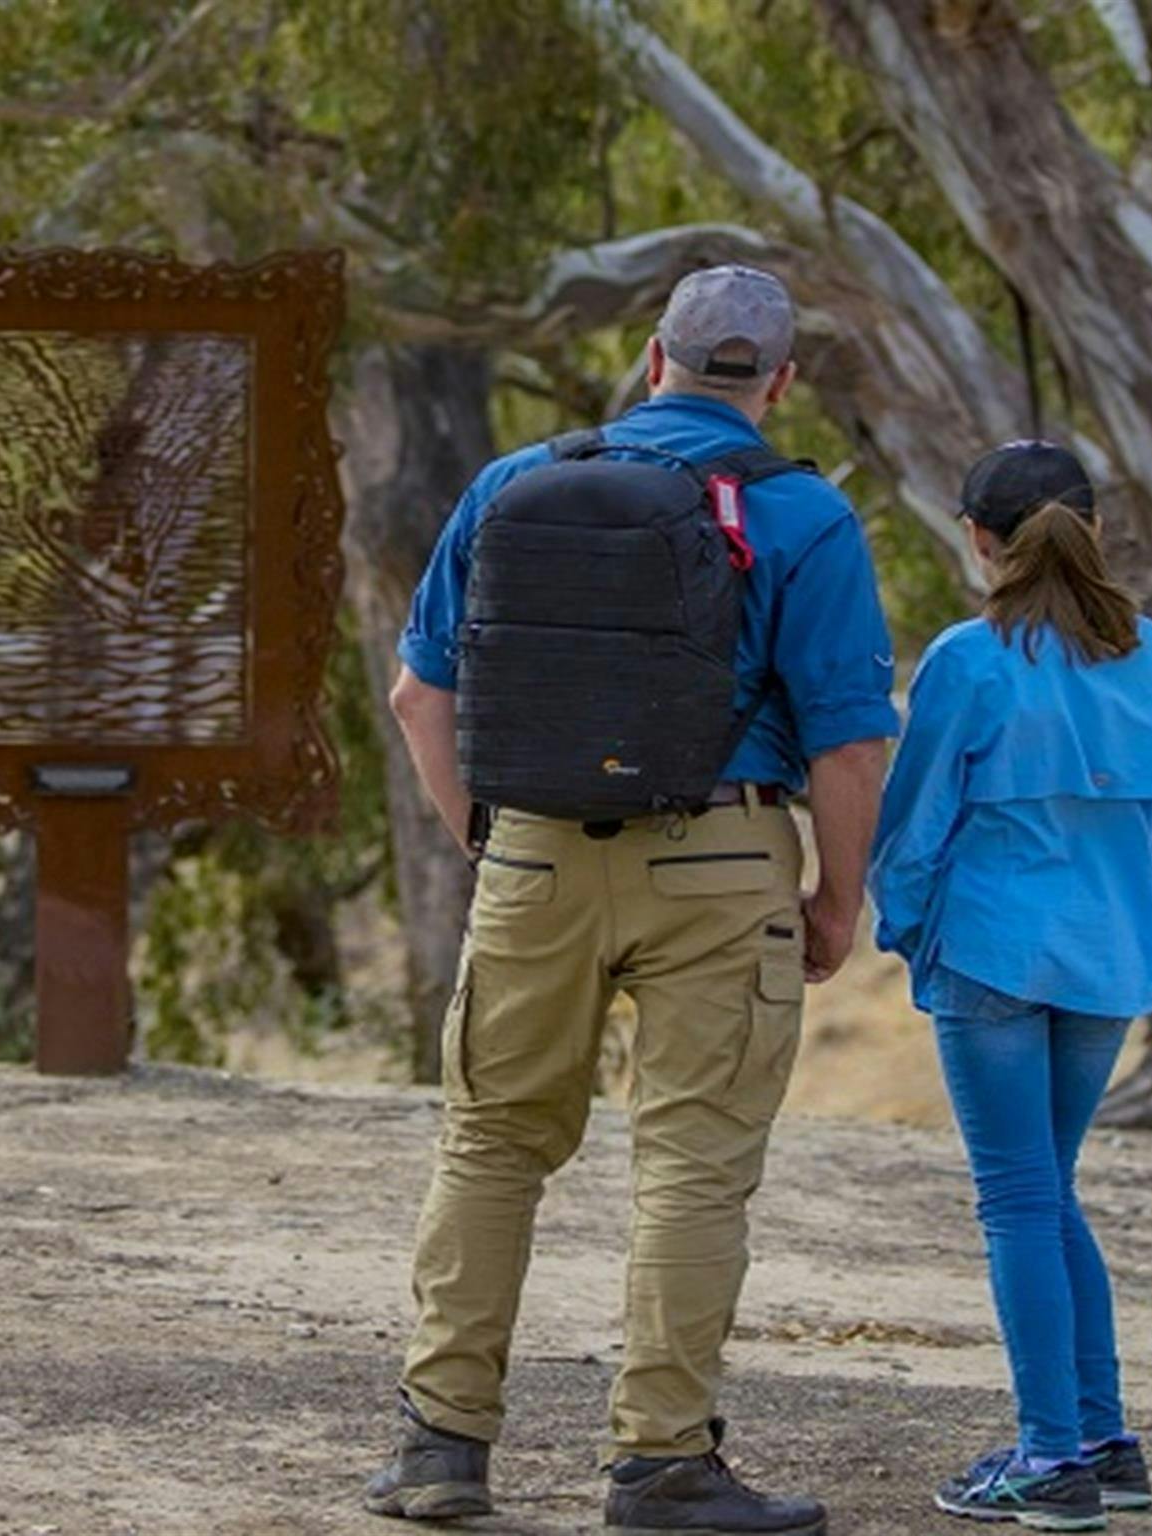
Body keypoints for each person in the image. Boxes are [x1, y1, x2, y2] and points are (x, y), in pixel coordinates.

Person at [365, 265, 897, 1534]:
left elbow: (415, 697)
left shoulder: (512, 485)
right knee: (694, 1168)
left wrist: (490, 842)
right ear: (775, 383)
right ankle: (659, 1463)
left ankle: (441, 1447)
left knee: (492, 1144)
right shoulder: (804, 518)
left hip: (536, 853)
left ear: (649, 357)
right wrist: (833, 902)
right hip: (722, 861)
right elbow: (849, 748)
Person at [870, 441, 1152, 1532]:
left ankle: (1051, 1459)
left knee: (1016, 1200)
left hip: (992, 954)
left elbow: (911, 826)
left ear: (976, 538)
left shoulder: (967, 656)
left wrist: (906, 934)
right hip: (1108, 959)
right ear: (1090, 528)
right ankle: (1102, 1440)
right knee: (1046, 1191)